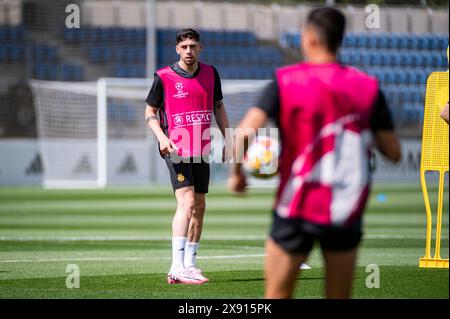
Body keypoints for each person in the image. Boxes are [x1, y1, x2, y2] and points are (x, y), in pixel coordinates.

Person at [228, 7, 401, 298]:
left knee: (277, 296)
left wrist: (237, 174)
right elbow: (394, 153)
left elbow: (244, 134)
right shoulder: (367, 87)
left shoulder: (285, 80)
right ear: (339, 40)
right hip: (345, 209)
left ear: (309, 38)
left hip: (296, 206)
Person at [145, 28, 230, 284]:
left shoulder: (211, 73)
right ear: (177, 49)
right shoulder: (164, 77)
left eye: (193, 46)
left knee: (200, 206)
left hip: (202, 146)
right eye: (184, 47)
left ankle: (190, 265)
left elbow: (218, 106)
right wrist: (162, 137)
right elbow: (150, 111)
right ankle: (175, 266)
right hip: (176, 147)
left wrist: (229, 139)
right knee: (188, 202)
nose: (189, 51)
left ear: (200, 48)